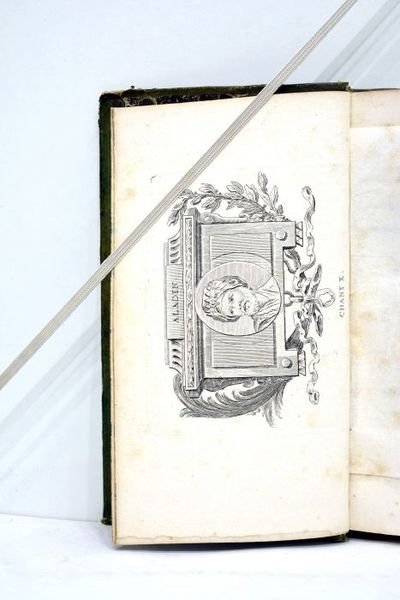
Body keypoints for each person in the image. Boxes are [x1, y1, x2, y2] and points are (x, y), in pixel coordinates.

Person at [202, 274, 281, 333]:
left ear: (235, 283)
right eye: (232, 311)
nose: (237, 306)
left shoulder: (275, 280)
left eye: (231, 299)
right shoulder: (263, 326)